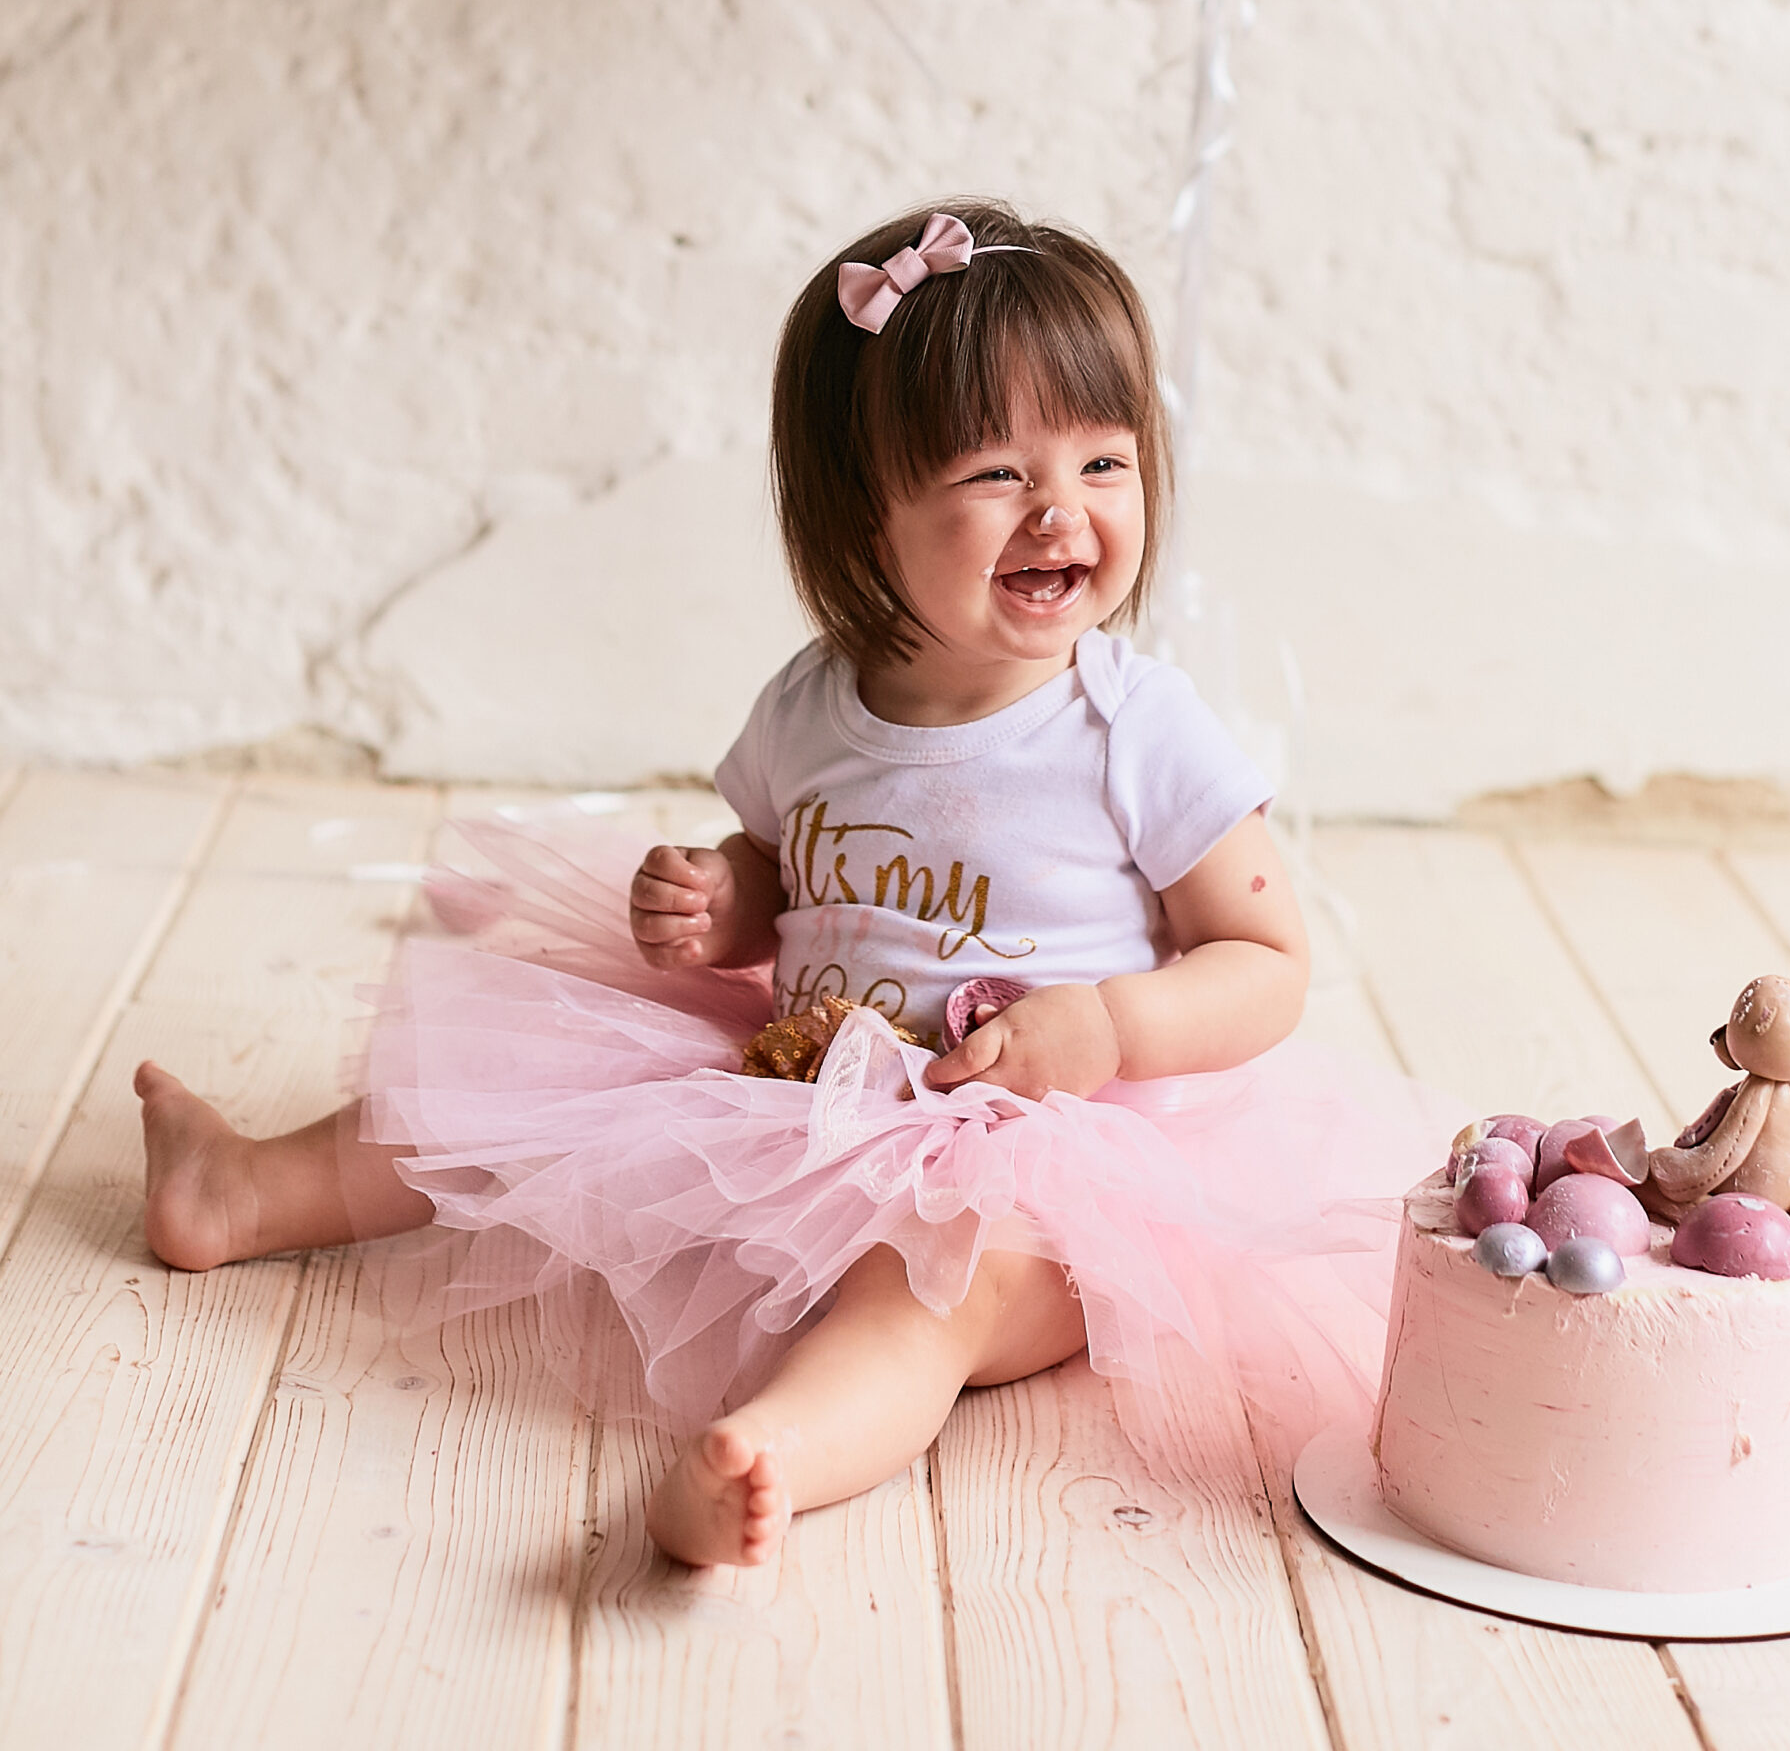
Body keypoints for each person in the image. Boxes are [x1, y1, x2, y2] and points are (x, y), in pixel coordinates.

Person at [133, 200, 1451, 1570]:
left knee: (927, 1302)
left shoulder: (1136, 728)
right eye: (998, 472)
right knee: (500, 1094)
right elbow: (786, 861)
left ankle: (771, 1455)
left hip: (1044, 1159)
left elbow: (1265, 958)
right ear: (862, 509)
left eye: (1106, 461)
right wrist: (721, 897)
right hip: (791, 1101)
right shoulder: (820, 698)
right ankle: (247, 1192)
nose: (1066, 510)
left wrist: (1111, 1026)